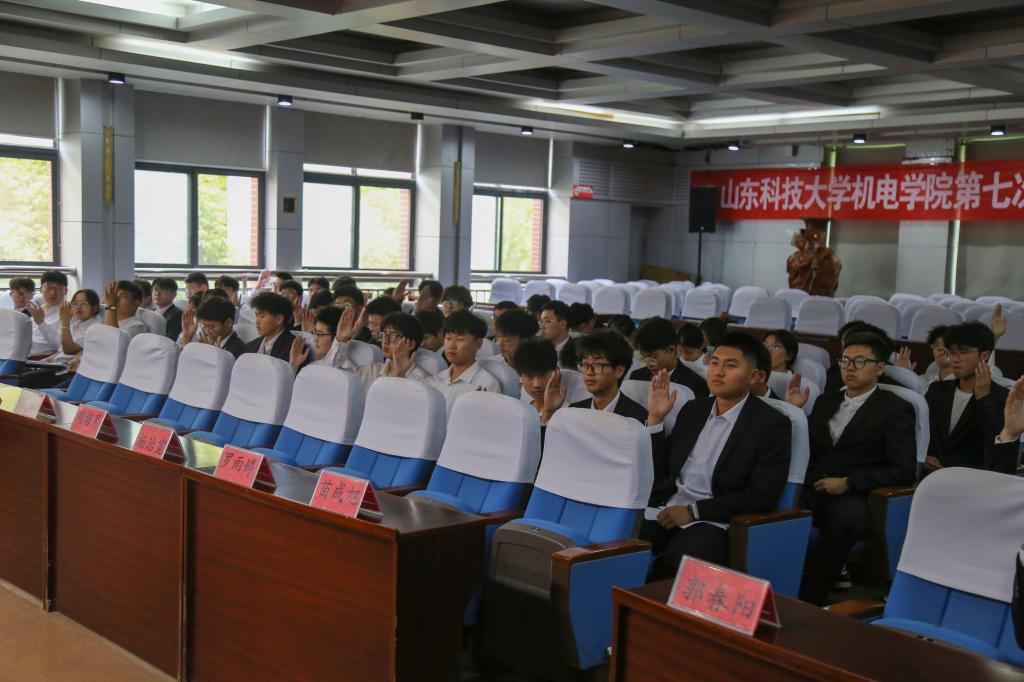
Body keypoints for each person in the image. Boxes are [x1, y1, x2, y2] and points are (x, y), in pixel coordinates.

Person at [641, 331, 792, 580]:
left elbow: (762, 495)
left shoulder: (771, 424)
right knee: (620, 544)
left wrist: (694, 511)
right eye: (715, 363)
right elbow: (661, 470)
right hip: (668, 507)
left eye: (730, 366)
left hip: (717, 520)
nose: (718, 372)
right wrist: (656, 419)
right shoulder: (693, 410)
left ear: (754, 376)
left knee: (677, 562)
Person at [800, 332, 916, 605]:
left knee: (842, 522)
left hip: (857, 493)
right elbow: (809, 450)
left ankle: (810, 601)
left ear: (880, 368)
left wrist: (849, 482)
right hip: (814, 485)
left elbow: (903, 469)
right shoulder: (826, 401)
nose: (850, 367)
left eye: (860, 361)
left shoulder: (895, 408)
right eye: (845, 360)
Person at [924, 322, 1010, 472]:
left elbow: (995, 447)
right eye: (952, 352)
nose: (955, 359)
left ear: (984, 355)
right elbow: (919, 430)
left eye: (963, 352)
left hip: (971, 477)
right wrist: (923, 455)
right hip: (930, 474)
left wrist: (983, 400)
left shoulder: (1002, 397)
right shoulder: (937, 390)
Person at [543, 329, 655, 426]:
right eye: (585, 364)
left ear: (619, 371)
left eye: (598, 365)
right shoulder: (574, 410)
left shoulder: (636, 418)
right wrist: (548, 411)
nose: (589, 372)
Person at [315, 307, 428, 386]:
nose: (385, 341)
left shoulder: (421, 381)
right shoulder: (372, 370)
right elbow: (329, 377)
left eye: (392, 336)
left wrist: (398, 375)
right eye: (383, 335)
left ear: (411, 344)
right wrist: (341, 340)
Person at [426, 310, 500, 414]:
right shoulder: (433, 381)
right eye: (448, 338)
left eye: (459, 340)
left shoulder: (487, 385)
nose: (451, 346)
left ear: (478, 344)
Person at [631, 317, 707, 398]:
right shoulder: (636, 376)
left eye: (652, 357)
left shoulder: (695, 385)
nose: (648, 364)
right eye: (643, 358)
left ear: (671, 350)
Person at [242, 291, 310, 369]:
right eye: (256, 316)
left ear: (279, 319)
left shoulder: (295, 348)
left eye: (262, 316)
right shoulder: (250, 346)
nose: (257, 322)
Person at [47, 289, 101, 364]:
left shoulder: (95, 327)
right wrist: (45, 361)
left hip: (68, 367)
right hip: (56, 364)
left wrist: (65, 323)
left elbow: (69, 350)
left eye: (84, 303)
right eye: (75, 303)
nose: (78, 307)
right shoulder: (76, 323)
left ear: (95, 308)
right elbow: (61, 353)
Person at [180, 297, 245, 358]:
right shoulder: (204, 343)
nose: (206, 331)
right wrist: (187, 337)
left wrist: (213, 354)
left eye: (211, 326)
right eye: (203, 326)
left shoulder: (240, 350)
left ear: (228, 323)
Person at [512, 338, 558, 417]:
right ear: (519, 375)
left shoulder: (567, 411)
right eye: (529, 376)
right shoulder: (520, 409)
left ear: (556, 373)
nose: (537, 384)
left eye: (543, 375)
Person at [26, 270, 67, 355]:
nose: (53, 293)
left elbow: (60, 345)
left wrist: (41, 323)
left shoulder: (67, 312)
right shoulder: (39, 309)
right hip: (23, 354)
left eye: (58, 288)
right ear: (41, 289)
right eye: (48, 288)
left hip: (41, 358)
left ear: (65, 291)